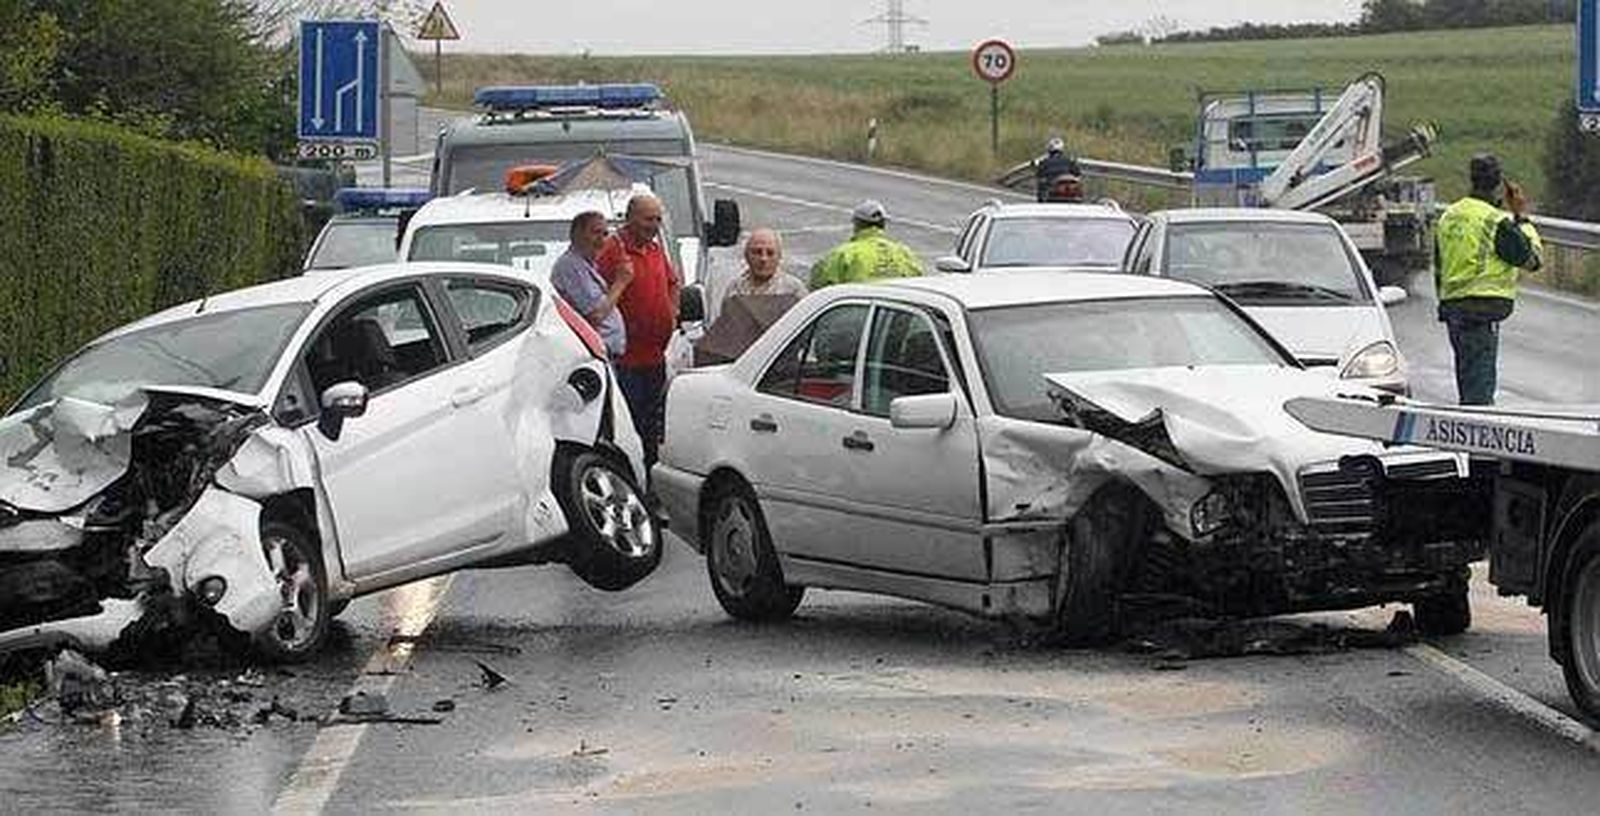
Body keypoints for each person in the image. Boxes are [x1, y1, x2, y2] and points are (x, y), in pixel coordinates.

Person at [1434, 153, 1543, 406]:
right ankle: (1477, 440)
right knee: (1479, 390)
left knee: (1467, 380)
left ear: (1471, 179)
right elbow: (1532, 259)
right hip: (1482, 310)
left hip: (1454, 310)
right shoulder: (1496, 221)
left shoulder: (1449, 215)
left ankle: (1470, 434)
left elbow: (1440, 266)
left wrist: (1444, 305)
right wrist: (1521, 217)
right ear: (1498, 184)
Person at [596, 193, 680, 468]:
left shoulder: (655, 249)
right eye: (648, 219)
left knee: (653, 427)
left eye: (658, 219)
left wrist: (672, 311)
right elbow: (595, 302)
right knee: (631, 427)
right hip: (626, 362)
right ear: (630, 218)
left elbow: (672, 282)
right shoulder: (611, 251)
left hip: (655, 358)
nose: (654, 225)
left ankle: (652, 480)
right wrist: (621, 280)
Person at [549, 211, 629, 358]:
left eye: (605, 234)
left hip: (605, 353)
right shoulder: (570, 266)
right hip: (591, 353)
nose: (602, 240)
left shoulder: (586, 265)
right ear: (576, 235)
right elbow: (596, 314)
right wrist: (620, 283)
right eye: (596, 233)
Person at [810, 200, 923, 289]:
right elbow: (918, 281)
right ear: (884, 224)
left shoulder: (844, 255)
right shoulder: (904, 254)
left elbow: (819, 284)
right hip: (892, 313)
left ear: (856, 224)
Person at [721, 228, 808, 302]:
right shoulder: (735, 289)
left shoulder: (793, 290)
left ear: (779, 257)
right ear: (746, 256)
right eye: (757, 252)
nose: (763, 259)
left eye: (770, 253)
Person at [1035, 136, 1083, 203]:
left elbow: (1039, 175)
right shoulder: (1069, 161)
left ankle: (1041, 202)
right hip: (1068, 193)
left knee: (1042, 185)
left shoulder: (1044, 162)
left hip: (1053, 191)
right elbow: (1078, 173)